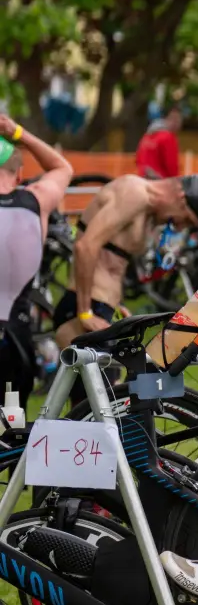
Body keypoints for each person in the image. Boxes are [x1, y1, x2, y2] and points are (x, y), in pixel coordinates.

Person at [54, 174, 198, 349]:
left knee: (116, 376)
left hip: (104, 308)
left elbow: (113, 263)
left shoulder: (148, 211)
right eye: (186, 219)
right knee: (103, 376)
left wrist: (117, 305)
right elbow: (86, 246)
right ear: (181, 198)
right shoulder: (134, 193)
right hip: (85, 308)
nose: (180, 226)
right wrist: (85, 312)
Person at [0, 115, 73, 405]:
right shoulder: (37, 200)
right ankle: (12, 445)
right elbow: (62, 167)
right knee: (12, 415)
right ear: (18, 175)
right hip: (15, 335)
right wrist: (17, 132)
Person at [134, 105, 183, 179]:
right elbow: (171, 166)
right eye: (173, 119)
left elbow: (138, 159)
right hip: (160, 183)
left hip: (142, 180)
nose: (176, 123)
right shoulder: (168, 137)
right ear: (165, 119)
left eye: (178, 120)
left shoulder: (147, 136)